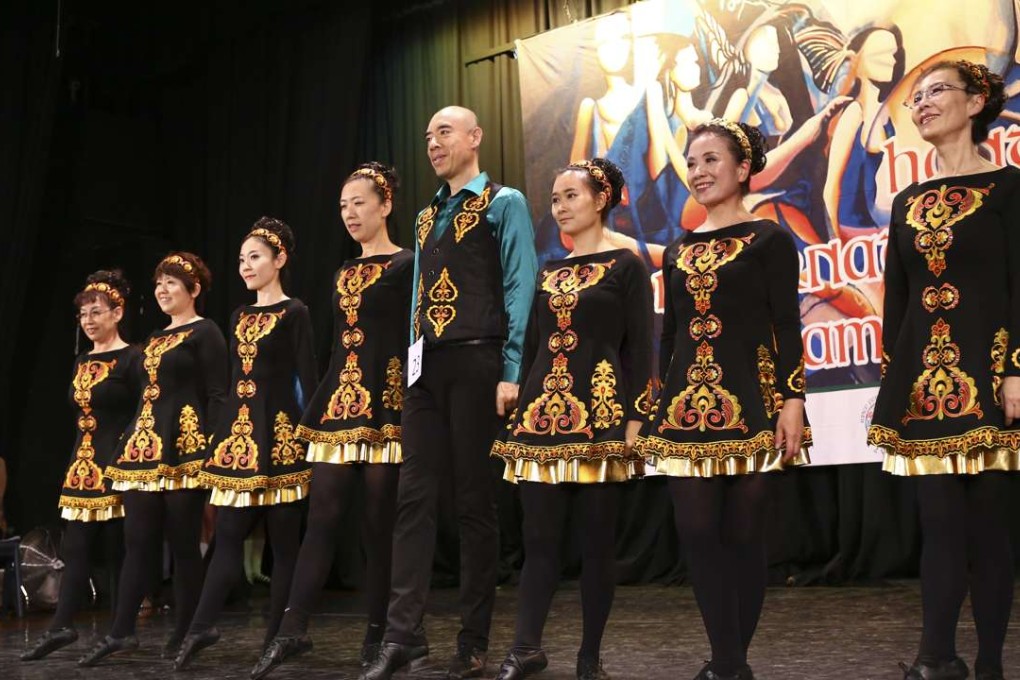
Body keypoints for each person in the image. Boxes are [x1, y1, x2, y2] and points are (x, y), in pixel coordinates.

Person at [360, 106, 538, 680]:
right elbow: (416, 294)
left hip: (479, 359)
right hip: (426, 369)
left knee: (472, 502)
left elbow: (520, 283)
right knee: (412, 499)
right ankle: (402, 634)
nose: (432, 143)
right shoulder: (423, 217)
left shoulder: (504, 202)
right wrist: (411, 361)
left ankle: (473, 636)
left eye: (443, 132)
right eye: (427, 135)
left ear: (474, 137)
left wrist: (511, 369)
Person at [638, 120, 809, 680]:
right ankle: (729, 662)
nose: (698, 172)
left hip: (753, 405)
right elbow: (670, 337)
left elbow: (786, 324)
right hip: (686, 410)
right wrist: (653, 407)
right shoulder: (678, 250)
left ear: (742, 169)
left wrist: (792, 400)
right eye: (691, 162)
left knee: (742, 536)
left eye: (711, 160)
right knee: (698, 534)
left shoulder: (770, 239)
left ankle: (729, 663)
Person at [867, 60, 1017, 680]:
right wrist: (894, 380)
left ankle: (987, 664)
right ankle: (936, 658)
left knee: (989, 531)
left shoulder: (1011, 189)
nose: (922, 104)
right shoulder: (907, 201)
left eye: (937, 93)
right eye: (916, 98)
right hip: (924, 389)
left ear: (976, 99)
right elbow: (897, 302)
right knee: (938, 526)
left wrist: (1015, 370)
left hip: (990, 378)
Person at [491, 158, 652, 680]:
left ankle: (589, 656)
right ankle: (524, 648)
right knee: (538, 542)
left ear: (600, 200)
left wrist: (634, 422)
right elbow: (535, 346)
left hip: (601, 420)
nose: (559, 206)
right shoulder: (547, 270)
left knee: (596, 545)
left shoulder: (627, 265)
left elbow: (641, 350)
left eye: (570, 196)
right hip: (540, 421)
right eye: (555, 199)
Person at [251, 163, 412, 679]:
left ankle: (378, 632)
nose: (350, 214)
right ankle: (293, 629)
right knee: (320, 520)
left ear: (385, 205)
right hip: (341, 405)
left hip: (387, 405)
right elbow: (335, 344)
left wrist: (416, 398)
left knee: (377, 525)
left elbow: (417, 338)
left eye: (359, 203)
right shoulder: (343, 271)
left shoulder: (409, 264)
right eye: (343, 206)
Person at [171, 218, 317, 669]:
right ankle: (200, 626)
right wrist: (224, 437)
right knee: (228, 535)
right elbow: (236, 381)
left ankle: (277, 637)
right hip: (241, 440)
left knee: (284, 544)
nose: (246, 266)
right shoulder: (237, 316)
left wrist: (313, 437)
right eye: (241, 259)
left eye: (254, 257)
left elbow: (308, 378)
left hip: (283, 440)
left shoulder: (295, 312)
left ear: (279, 260)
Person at [79, 252, 228, 667]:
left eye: (172, 284)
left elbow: (218, 393)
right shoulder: (154, 339)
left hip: (185, 447)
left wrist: (212, 448)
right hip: (145, 447)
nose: (162, 290)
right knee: (138, 541)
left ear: (193, 290)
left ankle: (188, 630)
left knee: (183, 544)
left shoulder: (206, 331)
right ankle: (120, 631)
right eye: (159, 284)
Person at [21, 271, 144, 661]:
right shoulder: (81, 360)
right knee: (75, 547)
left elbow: (145, 413)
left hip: (118, 463)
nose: (89, 320)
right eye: (83, 315)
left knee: (119, 548)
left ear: (117, 312)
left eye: (96, 312)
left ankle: (122, 629)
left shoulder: (132, 358)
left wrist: (129, 456)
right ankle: (61, 627)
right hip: (82, 465)